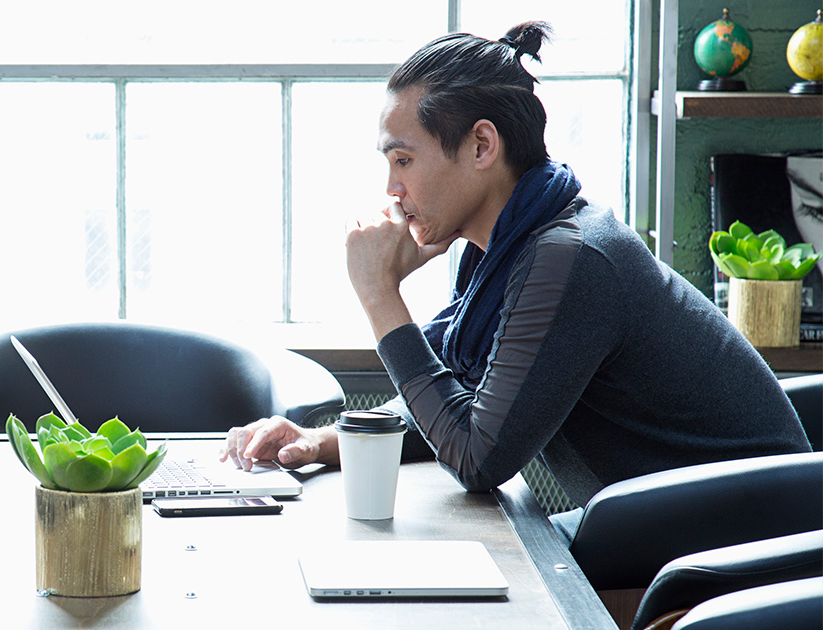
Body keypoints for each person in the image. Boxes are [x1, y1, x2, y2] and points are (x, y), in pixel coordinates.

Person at [221, 22, 811, 509]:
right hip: (659, 528)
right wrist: (321, 441)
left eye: (403, 159)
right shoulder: (501, 245)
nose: (391, 188)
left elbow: (478, 458)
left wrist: (381, 299)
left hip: (732, 542)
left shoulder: (570, 257)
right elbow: (461, 395)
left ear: (482, 146)